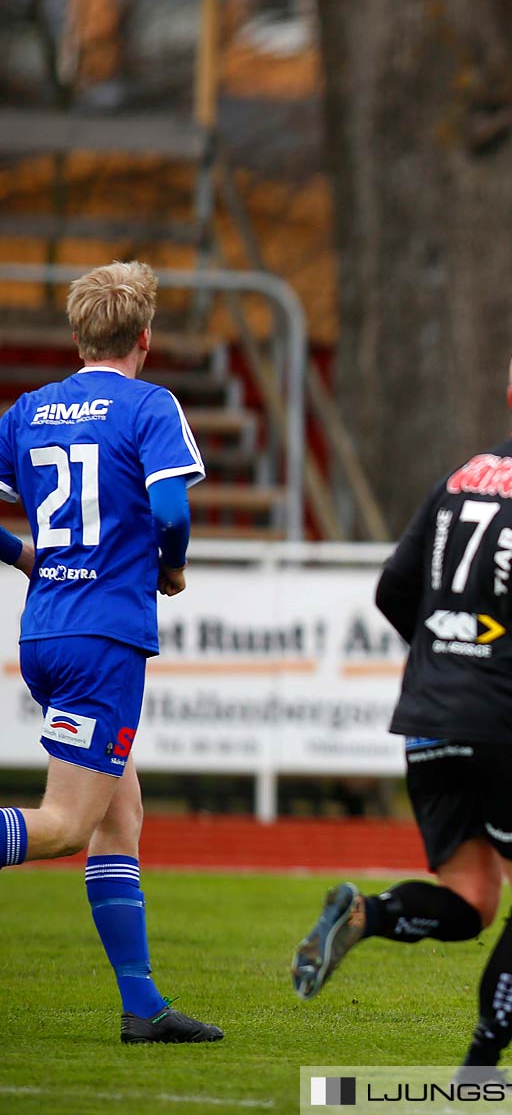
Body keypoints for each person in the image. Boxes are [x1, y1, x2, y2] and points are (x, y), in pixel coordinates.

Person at [289, 327, 512, 1071]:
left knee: (469, 898)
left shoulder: (458, 478)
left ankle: (369, 914)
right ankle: (480, 1070)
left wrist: (444, 652)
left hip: (430, 716)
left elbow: (394, 589)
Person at [0, 261, 221, 1043]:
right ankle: (142, 1006)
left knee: (119, 813)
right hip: (104, 636)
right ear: (145, 339)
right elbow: (171, 509)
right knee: (63, 825)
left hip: (46, 628)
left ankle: (142, 1006)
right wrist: (172, 566)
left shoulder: (28, 410)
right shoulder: (149, 405)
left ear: (76, 333)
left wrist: (24, 556)